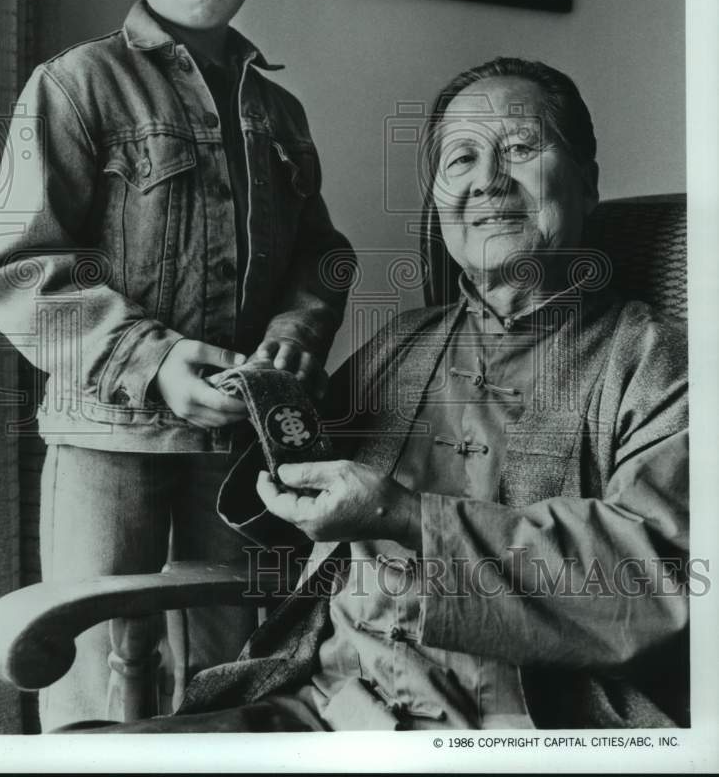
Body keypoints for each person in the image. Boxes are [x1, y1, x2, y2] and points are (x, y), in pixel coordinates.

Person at [61, 56, 689, 733]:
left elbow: (662, 582)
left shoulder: (658, 361)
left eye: (521, 149)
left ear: (588, 184)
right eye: (461, 160)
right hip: (322, 703)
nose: (488, 181)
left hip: (515, 728)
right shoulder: (404, 341)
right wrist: (259, 409)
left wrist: (408, 517)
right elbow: (294, 506)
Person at [0, 0, 353, 730]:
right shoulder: (75, 86)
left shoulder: (281, 114)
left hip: (237, 447)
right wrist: (152, 362)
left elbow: (325, 254)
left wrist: (298, 332)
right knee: (87, 656)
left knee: (227, 658)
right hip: (107, 437)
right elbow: (21, 268)